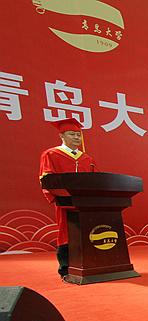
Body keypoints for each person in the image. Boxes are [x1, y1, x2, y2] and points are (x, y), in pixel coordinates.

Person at [39, 117, 97, 279]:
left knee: (89, 232)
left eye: (78, 135)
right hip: (65, 203)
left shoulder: (88, 159)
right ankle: (66, 268)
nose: (77, 137)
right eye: (72, 134)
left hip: (86, 204)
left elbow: (96, 181)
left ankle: (90, 264)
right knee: (66, 233)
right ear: (62, 136)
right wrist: (65, 197)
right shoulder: (51, 154)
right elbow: (47, 179)